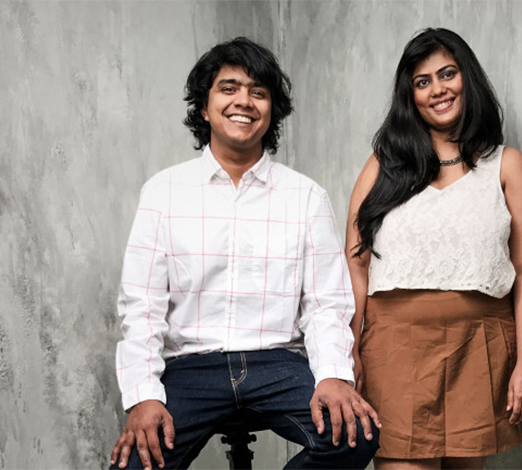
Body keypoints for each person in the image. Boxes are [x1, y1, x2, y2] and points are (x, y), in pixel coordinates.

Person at [109, 37, 379, 470]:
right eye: (229, 88)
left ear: (271, 110)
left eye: (258, 92)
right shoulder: (163, 193)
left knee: (354, 436)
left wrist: (333, 374)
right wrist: (142, 396)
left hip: (277, 363)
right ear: (204, 106)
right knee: (135, 467)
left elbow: (326, 303)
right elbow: (141, 306)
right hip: (190, 367)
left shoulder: (306, 196)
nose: (244, 101)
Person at [346, 28, 522, 469]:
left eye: (447, 74)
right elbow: (356, 265)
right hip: (394, 353)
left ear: (467, 79)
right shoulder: (383, 167)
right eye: (423, 81)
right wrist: (349, 352)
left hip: (479, 349)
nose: (437, 89)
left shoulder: (507, 166)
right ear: (410, 95)